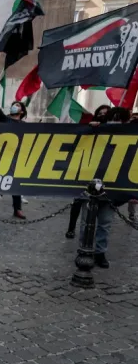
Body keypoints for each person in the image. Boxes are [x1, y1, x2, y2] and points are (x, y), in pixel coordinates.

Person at [78, 107, 132, 268]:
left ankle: (100, 252)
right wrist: (91, 127)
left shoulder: (129, 134)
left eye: (119, 119)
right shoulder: (97, 131)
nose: (115, 122)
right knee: (86, 222)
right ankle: (83, 249)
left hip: (112, 190)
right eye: (112, 118)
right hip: (91, 185)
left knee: (105, 223)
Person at [66, 105, 111, 238]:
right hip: (85, 168)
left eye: (105, 114)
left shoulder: (113, 130)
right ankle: (71, 228)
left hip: (103, 170)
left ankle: (93, 232)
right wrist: (90, 128)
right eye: (100, 113)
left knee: (101, 203)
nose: (102, 115)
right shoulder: (89, 128)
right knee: (78, 200)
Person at [0, 84, 27, 219]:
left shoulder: (26, 126)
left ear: (22, 111)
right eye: (14, 104)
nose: (15, 106)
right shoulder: (5, 119)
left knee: (16, 184)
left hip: (16, 157)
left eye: (18, 105)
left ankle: (17, 209)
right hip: (2, 156)